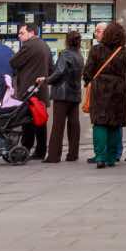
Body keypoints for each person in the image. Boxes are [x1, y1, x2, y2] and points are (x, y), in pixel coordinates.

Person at [82, 21, 126, 168]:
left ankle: (100, 157)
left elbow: (88, 72)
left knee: (99, 123)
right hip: (119, 90)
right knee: (115, 124)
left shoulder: (96, 50)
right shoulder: (125, 51)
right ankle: (111, 157)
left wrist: (89, 81)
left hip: (99, 89)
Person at [10, 21, 53, 160]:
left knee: (27, 121)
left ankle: (25, 148)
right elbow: (51, 68)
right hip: (41, 90)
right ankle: (40, 150)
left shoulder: (29, 45)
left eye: (22, 33)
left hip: (29, 91)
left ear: (32, 33)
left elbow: (13, 62)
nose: (19, 36)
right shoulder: (45, 45)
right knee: (40, 121)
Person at [44, 31, 85, 163]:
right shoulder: (79, 55)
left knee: (58, 125)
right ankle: (73, 154)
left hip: (62, 94)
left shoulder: (66, 54)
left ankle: (54, 155)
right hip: (75, 93)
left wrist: (46, 80)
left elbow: (59, 72)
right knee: (74, 124)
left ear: (67, 41)